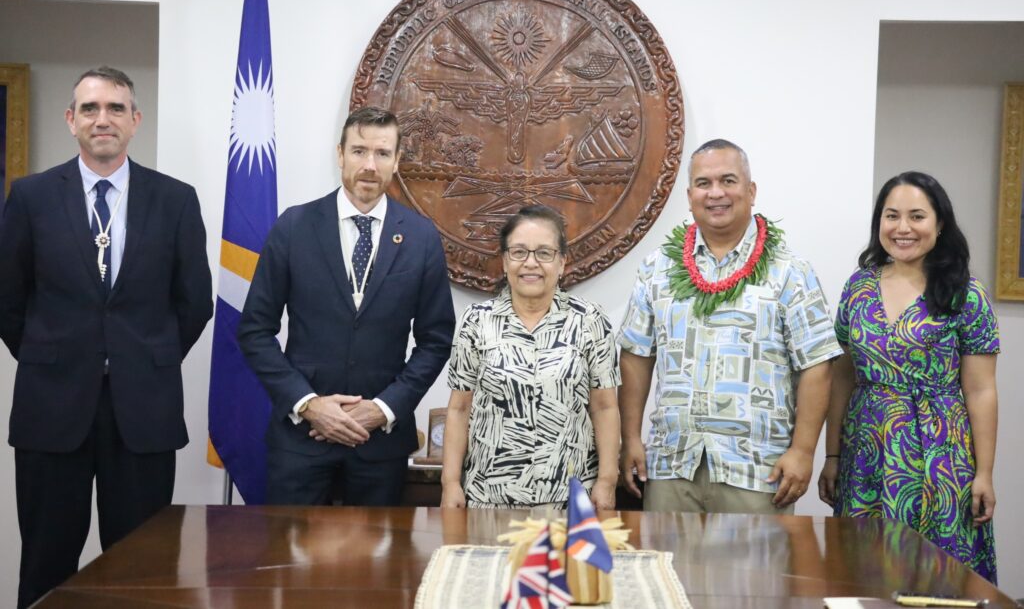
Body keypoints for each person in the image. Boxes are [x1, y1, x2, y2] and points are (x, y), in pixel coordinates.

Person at [0, 66, 213, 609]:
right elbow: (8, 300)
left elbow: (194, 304)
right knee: (46, 566)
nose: (103, 119)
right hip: (51, 410)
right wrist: (56, 359)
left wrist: (142, 357)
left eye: (116, 108)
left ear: (135, 121)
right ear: (71, 120)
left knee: (142, 570)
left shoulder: (176, 200)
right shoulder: (30, 197)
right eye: (90, 108)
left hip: (143, 412)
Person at [238, 106, 455, 506]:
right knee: (289, 564)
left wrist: (384, 408)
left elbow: (436, 340)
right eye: (358, 151)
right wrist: (309, 404)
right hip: (301, 439)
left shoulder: (422, 238)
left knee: (375, 568)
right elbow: (254, 330)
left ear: (396, 160)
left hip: (380, 444)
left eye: (382, 153)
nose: (369, 165)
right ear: (339, 154)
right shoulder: (294, 226)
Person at [618, 139, 841, 514]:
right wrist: (630, 439)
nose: (716, 193)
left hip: (757, 471)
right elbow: (636, 356)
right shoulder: (656, 269)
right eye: (704, 183)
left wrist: (803, 452)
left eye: (728, 180)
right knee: (667, 572)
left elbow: (817, 366)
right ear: (689, 196)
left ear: (751, 191)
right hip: (672, 465)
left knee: (757, 576)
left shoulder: (790, 271)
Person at [818, 171, 999, 583]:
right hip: (866, 452)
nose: (902, 228)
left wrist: (984, 473)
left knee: (939, 574)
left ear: (939, 224)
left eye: (916, 216)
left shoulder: (966, 294)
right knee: (863, 569)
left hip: (942, 456)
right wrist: (832, 457)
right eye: (891, 215)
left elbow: (981, 389)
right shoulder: (858, 287)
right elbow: (843, 375)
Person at [440, 205, 620, 510]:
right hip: (489, 499)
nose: (531, 263)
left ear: (562, 262)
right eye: (519, 252)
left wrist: (607, 481)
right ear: (505, 260)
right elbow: (459, 409)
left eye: (544, 253)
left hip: (570, 500)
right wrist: (450, 483)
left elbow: (604, 406)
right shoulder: (477, 321)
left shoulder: (589, 320)